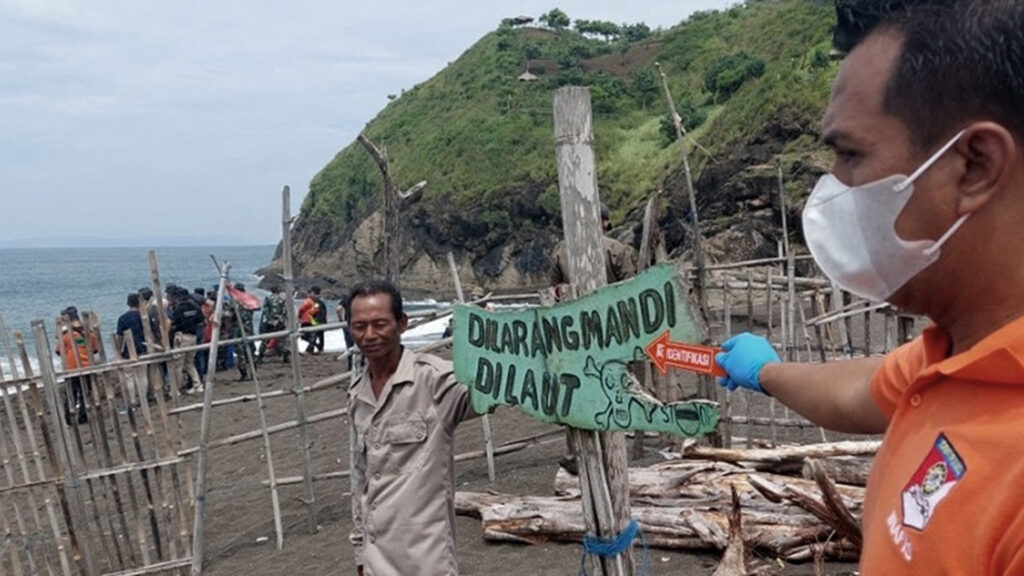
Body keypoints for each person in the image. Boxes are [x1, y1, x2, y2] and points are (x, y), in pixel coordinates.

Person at [716, 2, 1024, 572]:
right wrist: (765, 372)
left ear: (975, 165)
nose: (832, 188)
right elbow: (862, 390)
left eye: (850, 154)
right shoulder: (959, 357)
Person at [346, 279, 479, 575]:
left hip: (425, 561)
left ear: (402, 323)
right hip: (375, 560)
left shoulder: (436, 381)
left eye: (380, 324)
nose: (369, 335)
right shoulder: (357, 395)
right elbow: (360, 478)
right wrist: (359, 550)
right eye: (359, 326)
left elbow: (495, 387)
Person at [549, 203, 638, 474]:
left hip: (574, 330)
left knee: (576, 385)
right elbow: (631, 291)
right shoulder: (617, 250)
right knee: (614, 383)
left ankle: (575, 451)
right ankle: (615, 446)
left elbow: (554, 293)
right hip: (612, 328)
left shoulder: (561, 251)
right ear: (606, 223)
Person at [549, 202, 637, 288]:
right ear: (605, 223)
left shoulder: (560, 251)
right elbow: (630, 285)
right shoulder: (616, 248)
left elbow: (555, 290)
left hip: (577, 301)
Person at [55, 307, 98, 425]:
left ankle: (68, 417)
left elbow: (58, 351)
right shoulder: (89, 333)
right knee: (85, 392)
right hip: (87, 366)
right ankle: (83, 416)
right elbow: (95, 350)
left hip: (71, 367)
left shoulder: (65, 335)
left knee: (71, 393)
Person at [115, 293, 153, 404]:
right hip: (143, 347)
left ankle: (132, 400)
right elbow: (150, 332)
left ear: (128, 304)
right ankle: (143, 399)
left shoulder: (123, 318)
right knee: (142, 375)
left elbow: (119, 336)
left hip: (128, 350)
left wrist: (118, 350)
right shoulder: (144, 316)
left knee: (129, 376)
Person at [168, 286, 205, 394]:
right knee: (189, 363)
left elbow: (174, 322)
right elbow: (200, 320)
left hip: (182, 336)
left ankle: (177, 389)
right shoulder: (195, 307)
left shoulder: (178, 308)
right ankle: (197, 385)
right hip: (193, 336)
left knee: (178, 364)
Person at [258, 285, 290, 364]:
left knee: (265, 339)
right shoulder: (282, 299)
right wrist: (279, 320)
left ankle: (260, 356)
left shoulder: (268, 298)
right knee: (281, 340)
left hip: (270, 322)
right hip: (280, 322)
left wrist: (271, 320)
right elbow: (284, 311)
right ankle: (285, 354)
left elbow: (265, 310)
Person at [297, 286, 324, 354]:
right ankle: (315, 347)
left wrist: (305, 314)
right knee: (315, 335)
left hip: (315, 320)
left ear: (314, 293)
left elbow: (314, 311)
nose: (309, 294)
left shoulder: (316, 301)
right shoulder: (317, 301)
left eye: (311, 293)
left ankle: (315, 348)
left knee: (310, 335)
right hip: (316, 320)